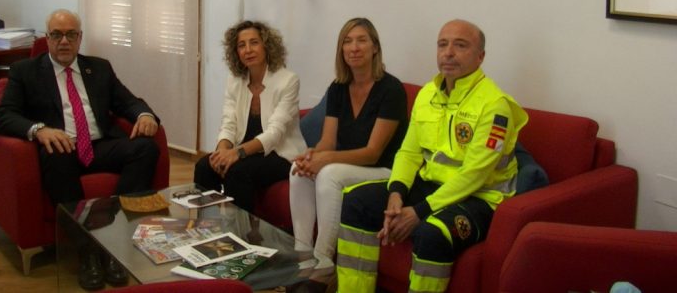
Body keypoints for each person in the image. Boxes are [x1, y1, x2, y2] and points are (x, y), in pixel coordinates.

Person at [336, 19, 528, 293]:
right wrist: (396, 193)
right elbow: (409, 152)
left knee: (432, 232)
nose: (448, 52)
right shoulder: (428, 94)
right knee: (357, 201)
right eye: (442, 44)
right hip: (430, 186)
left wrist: (419, 212)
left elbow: (474, 175)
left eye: (460, 45)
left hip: (479, 199)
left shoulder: (495, 105)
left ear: (480, 56)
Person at [0, 9, 161, 290]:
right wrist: (39, 130)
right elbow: (3, 115)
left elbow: (128, 102)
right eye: (57, 34)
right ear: (46, 39)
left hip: (100, 145)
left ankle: (115, 239)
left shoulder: (99, 68)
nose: (64, 41)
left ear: (80, 38)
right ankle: (88, 252)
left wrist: (145, 115)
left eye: (71, 34)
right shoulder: (26, 71)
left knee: (145, 148)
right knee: (58, 154)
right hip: (62, 148)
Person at [289, 17, 408, 270]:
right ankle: (302, 253)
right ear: (341, 50)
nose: (354, 47)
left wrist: (326, 159)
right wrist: (312, 154)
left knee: (328, 174)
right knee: (297, 170)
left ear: (375, 47)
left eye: (361, 40)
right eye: (347, 41)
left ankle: (323, 261)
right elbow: (328, 141)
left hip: (385, 169)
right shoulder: (338, 87)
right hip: (348, 164)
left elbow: (373, 153)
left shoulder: (392, 89)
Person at [194, 20, 306, 212]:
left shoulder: (288, 80)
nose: (248, 50)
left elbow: (275, 133)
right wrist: (221, 152)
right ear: (235, 52)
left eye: (254, 42)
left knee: (238, 171)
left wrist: (237, 153)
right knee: (204, 166)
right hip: (246, 153)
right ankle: (206, 229)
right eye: (241, 45)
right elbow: (229, 123)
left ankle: (238, 235)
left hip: (279, 155)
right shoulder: (235, 80)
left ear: (266, 46)